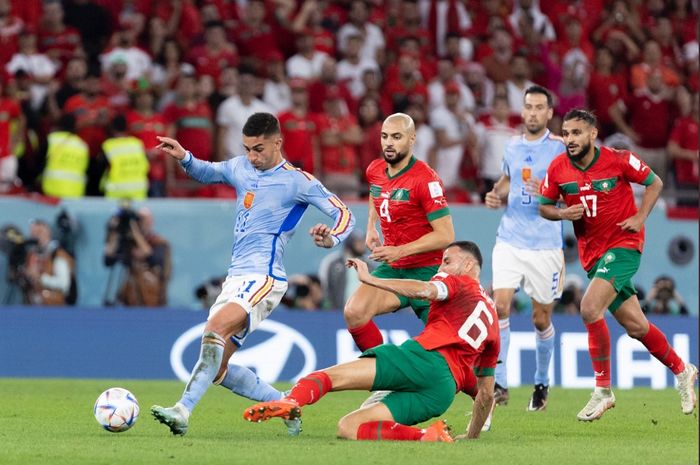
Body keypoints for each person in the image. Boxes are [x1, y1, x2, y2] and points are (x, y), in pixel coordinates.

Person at [150, 112, 355, 436]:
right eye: (247, 148)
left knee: (214, 329)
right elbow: (210, 172)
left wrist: (331, 237)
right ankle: (287, 404)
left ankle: (182, 410)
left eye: (258, 149)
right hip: (236, 278)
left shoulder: (298, 181)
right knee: (217, 367)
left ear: (278, 142)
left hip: (265, 278)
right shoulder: (241, 167)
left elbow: (343, 212)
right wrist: (185, 157)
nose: (251, 156)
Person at [243, 241, 498, 442]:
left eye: (446, 261)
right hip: (442, 392)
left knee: (328, 377)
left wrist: (373, 280)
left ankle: (292, 401)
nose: (440, 268)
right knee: (349, 428)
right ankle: (428, 437)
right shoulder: (493, 322)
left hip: (423, 359)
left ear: (467, 264)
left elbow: (426, 290)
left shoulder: (456, 281)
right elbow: (486, 394)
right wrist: (472, 435)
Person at [539, 109, 697, 421]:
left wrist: (640, 217)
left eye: (576, 133)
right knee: (637, 327)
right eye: (566, 133)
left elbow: (655, 183)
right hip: (593, 257)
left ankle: (602, 390)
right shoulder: (558, 168)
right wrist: (561, 214)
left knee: (589, 308)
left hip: (624, 246)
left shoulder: (619, 159)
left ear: (592, 135)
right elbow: (545, 206)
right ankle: (683, 370)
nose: (570, 139)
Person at [484, 85, 565, 411]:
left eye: (538, 108)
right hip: (510, 239)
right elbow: (507, 180)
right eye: (528, 107)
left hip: (545, 244)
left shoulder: (561, 149)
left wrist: (550, 192)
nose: (532, 112)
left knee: (540, 318)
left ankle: (541, 383)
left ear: (549, 113)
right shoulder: (512, 146)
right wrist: (496, 193)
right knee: (499, 307)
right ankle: (500, 384)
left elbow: (571, 191)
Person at [344, 113, 454, 352]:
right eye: (384, 137)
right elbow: (376, 193)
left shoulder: (426, 180)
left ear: (412, 139)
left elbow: (446, 235)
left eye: (396, 137)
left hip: (429, 271)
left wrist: (400, 251)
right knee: (355, 312)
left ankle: (488, 386)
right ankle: (383, 377)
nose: (389, 143)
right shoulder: (375, 169)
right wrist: (371, 226)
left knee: (449, 349)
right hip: (394, 268)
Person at [103, 205, 171, 307]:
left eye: (143, 219)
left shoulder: (159, 242)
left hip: (152, 299)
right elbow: (108, 260)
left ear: (151, 221)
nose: (140, 222)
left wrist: (135, 232)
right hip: (129, 299)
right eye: (138, 219)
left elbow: (152, 258)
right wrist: (114, 232)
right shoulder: (129, 243)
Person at [22, 219, 76, 305]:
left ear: (48, 233)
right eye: (33, 234)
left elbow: (63, 284)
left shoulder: (58, 255)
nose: (35, 237)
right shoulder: (31, 255)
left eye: (39, 233)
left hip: (54, 307)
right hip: (33, 306)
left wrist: (41, 279)